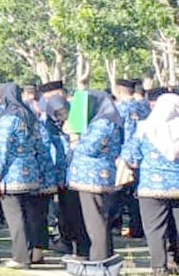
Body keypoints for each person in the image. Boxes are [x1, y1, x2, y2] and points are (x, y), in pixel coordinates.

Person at [121, 93, 179, 275]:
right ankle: (175, 260)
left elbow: (131, 156)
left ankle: (159, 266)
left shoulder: (144, 128)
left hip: (150, 188)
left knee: (155, 229)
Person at [0, 81, 48, 269]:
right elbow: (41, 146)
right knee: (30, 216)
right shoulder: (30, 116)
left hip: (12, 174)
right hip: (31, 173)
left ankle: (20, 256)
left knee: (15, 217)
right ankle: (33, 252)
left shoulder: (7, 119)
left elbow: (2, 150)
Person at [69, 90, 126, 264]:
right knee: (99, 219)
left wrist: (74, 139)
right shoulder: (107, 120)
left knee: (96, 221)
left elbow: (90, 147)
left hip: (93, 177)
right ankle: (105, 255)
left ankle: (99, 258)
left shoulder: (104, 123)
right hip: (97, 175)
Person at [38, 91, 88, 259]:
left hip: (75, 174)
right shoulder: (47, 126)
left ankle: (79, 246)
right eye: (58, 114)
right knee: (63, 212)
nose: (62, 116)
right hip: (58, 174)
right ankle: (66, 241)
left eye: (64, 112)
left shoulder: (76, 124)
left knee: (76, 212)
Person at [115, 79, 151, 239]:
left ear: (118, 90)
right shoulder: (144, 107)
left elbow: (121, 135)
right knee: (139, 194)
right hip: (145, 155)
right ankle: (139, 228)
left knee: (120, 194)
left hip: (124, 155)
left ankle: (118, 226)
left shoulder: (119, 109)